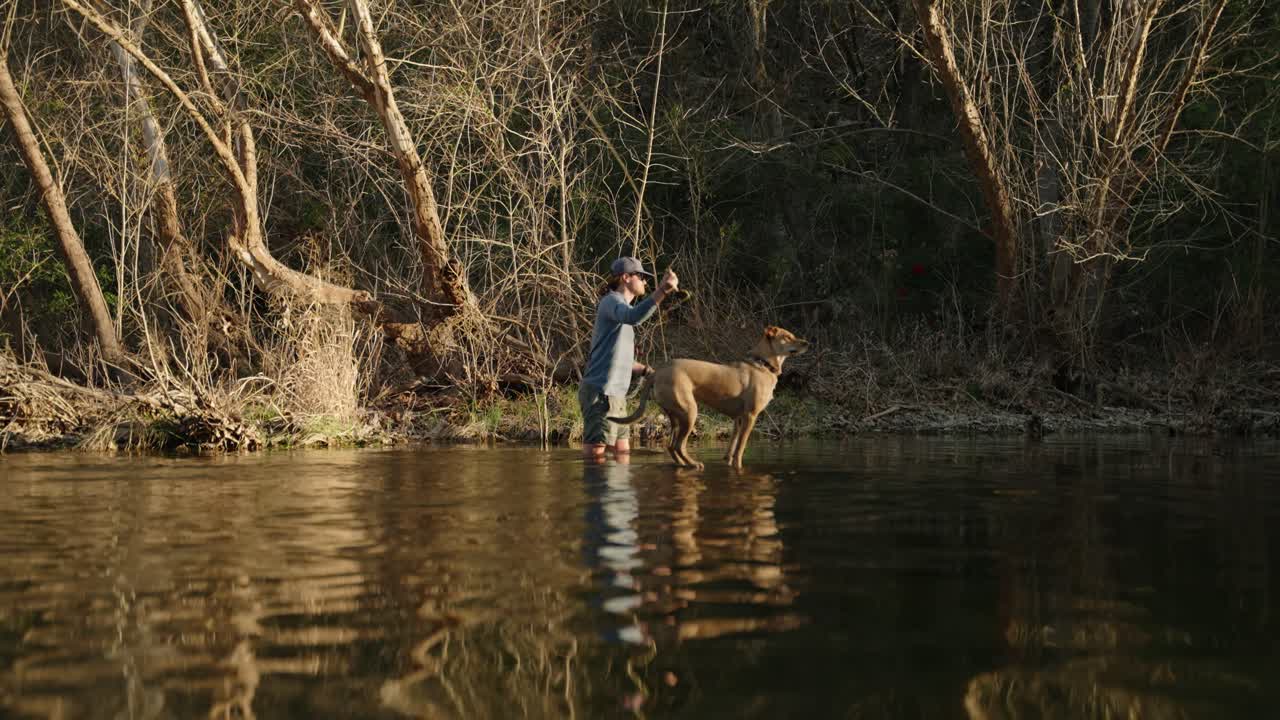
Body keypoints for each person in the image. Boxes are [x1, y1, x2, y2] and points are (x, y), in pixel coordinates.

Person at [579, 256, 678, 460]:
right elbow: (633, 317)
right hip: (601, 393)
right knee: (595, 455)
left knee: (623, 452)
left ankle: (619, 493)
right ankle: (596, 490)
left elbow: (617, 357)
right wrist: (662, 291)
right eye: (640, 276)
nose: (645, 281)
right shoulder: (612, 302)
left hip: (617, 396)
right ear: (625, 277)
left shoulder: (622, 310)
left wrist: (644, 370)